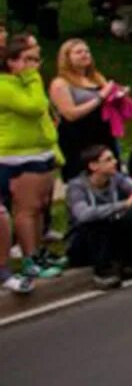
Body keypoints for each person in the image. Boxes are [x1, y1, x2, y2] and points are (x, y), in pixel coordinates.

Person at [1, 38, 65, 282]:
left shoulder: (25, 83)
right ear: (11, 62)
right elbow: (34, 107)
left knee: (39, 207)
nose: (33, 65)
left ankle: (37, 252)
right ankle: (28, 257)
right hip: (18, 155)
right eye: (27, 60)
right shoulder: (5, 85)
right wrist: (34, 78)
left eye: (36, 60)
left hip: (40, 150)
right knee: (27, 209)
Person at [65, 145, 132, 289]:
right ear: (93, 166)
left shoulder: (116, 178)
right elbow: (83, 214)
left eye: (113, 158)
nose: (115, 162)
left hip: (111, 232)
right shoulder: (77, 186)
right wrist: (123, 205)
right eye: (108, 160)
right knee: (96, 221)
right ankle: (103, 271)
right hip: (84, 241)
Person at [50, 39, 120, 179]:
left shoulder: (97, 78)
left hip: (103, 132)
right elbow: (69, 114)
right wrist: (99, 98)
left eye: (87, 51)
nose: (84, 55)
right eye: (78, 52)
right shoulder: (60, 83)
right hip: (78, 136)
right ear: (67, 57)